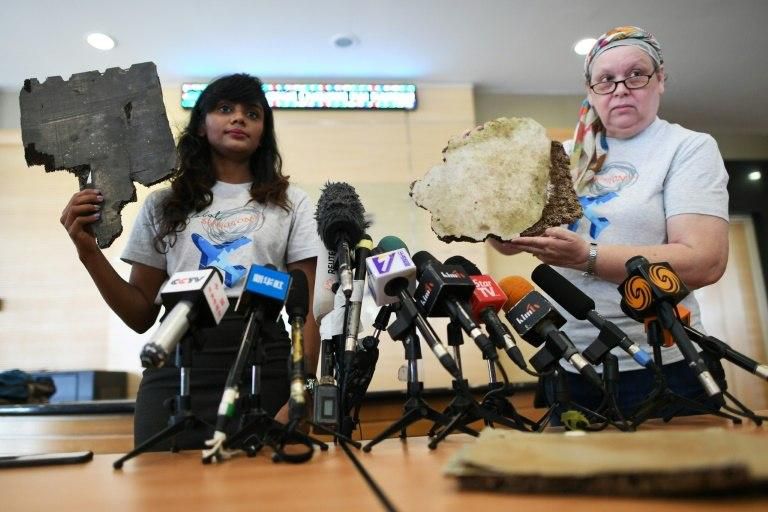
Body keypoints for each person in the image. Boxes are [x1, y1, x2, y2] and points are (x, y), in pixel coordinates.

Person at [60, 74, 321, 449]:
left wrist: (303, 392)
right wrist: (88, 251)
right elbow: (139, 315)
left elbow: (307, 310)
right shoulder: (163, 204)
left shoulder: (290, 202)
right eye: (225, 108)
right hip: (177, 358)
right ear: (201, 124)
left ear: (264, 132)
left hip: (266, 359)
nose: (239, 119)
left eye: (252, 113)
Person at [491, 26, 729, 420]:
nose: (620, 88)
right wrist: (489, 189)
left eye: (636, 74)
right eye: (605, 80)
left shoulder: (686, 148)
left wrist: (589, 256)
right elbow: (512, 238)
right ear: (591, 90)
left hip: (663, 362)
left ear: (661, 80)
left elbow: (704, 261)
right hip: (570, 363)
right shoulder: (563, 157)